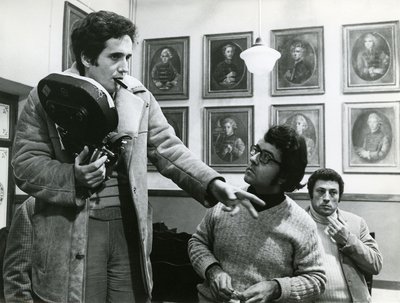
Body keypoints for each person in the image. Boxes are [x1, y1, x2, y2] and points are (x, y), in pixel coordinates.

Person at [7, 10, 265, 303]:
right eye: (115, 57)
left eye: (128, 57)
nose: (124, 67)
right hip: (71, 232)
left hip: (128, 231)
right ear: (87, 58)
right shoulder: (44, 97)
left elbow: (169, 148)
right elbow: (25, 166)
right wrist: (72, 177)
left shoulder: (139, 97)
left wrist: (213, 184)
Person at [188, 125, 326, 303]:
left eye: (265, 157)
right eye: (256, 150)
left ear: (284, 175)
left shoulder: (302, 223)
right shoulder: (227, 200)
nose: (253, 158)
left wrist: (276, 288)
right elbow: (197, 242)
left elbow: (316, 280)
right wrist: (213, 271)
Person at [306, 168, 383, 302]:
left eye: (333, 192)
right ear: (311, 194)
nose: (326, 198)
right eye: (321, 191)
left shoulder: (356, 222)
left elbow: (375, 265)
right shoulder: (298, 223)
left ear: (339, 197)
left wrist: (348, 240)